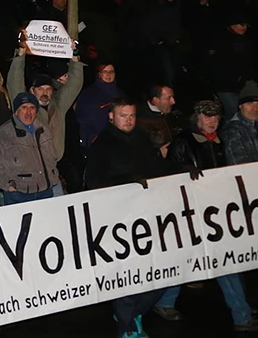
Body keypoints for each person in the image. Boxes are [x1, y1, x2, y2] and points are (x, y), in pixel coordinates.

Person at [154, 99, 258, 331]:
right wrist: (183, 170)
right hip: (191, 212)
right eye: (207, 116)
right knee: (197, 258)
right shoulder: (183, 141)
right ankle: (240, 314)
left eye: (215, 117)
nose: (212, 121)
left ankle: (240, 312)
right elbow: (167, 174)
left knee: (221, 259)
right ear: (197, 118)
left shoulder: (220, 141)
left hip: (216, 211)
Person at [84, 98, 172, 338]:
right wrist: (126, 182)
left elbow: (157, 168)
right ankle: (128, 326)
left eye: (132, 115)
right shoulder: (102, 145)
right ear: (111, 117)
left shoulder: (142, 138)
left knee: (162, 274)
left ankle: (132, 313)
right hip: (117, 221)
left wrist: (183, 170)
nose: (129, 120)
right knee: (126, 276)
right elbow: (93, 183)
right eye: (123, 115)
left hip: (146, 217)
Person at [8, 42, 83, 168]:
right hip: (28, 166)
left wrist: (75, 56)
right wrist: (21, 52)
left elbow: (74, 84)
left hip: (52, 167)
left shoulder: (59, 106)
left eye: (48, 89)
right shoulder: (25, 107)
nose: (45, 93)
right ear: (32, 90)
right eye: (40, 89)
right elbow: (15, 81)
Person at [0, 92, 60, 204]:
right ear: (16, 111)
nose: (29, 112)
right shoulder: (3, 134)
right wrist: (8, 185)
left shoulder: (43, 130)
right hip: (19, 196)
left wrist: (53, 176)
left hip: (46, 192)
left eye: (32, 108)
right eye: (24, 107)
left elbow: (52, 158)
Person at [210, 11, 255, 119]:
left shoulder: (247, 41)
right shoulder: (220, 40)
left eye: (246, 25)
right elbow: (215, 63)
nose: (244, 28)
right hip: (225, 85)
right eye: (241, 24)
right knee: (234, 114)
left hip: (243, 84)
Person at [75, 62, 123, 148]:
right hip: (96, 141)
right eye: (105, 71)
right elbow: (82, 118)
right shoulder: (88, 93)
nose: (108, 74)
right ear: (99, 74)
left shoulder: (120, 94)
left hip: (119, 140)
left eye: (111, 71)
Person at [222, 81, 258, 166]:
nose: (254, 109)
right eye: (249, 104)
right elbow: (238, 163)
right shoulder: (232, 131)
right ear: (240, 106)